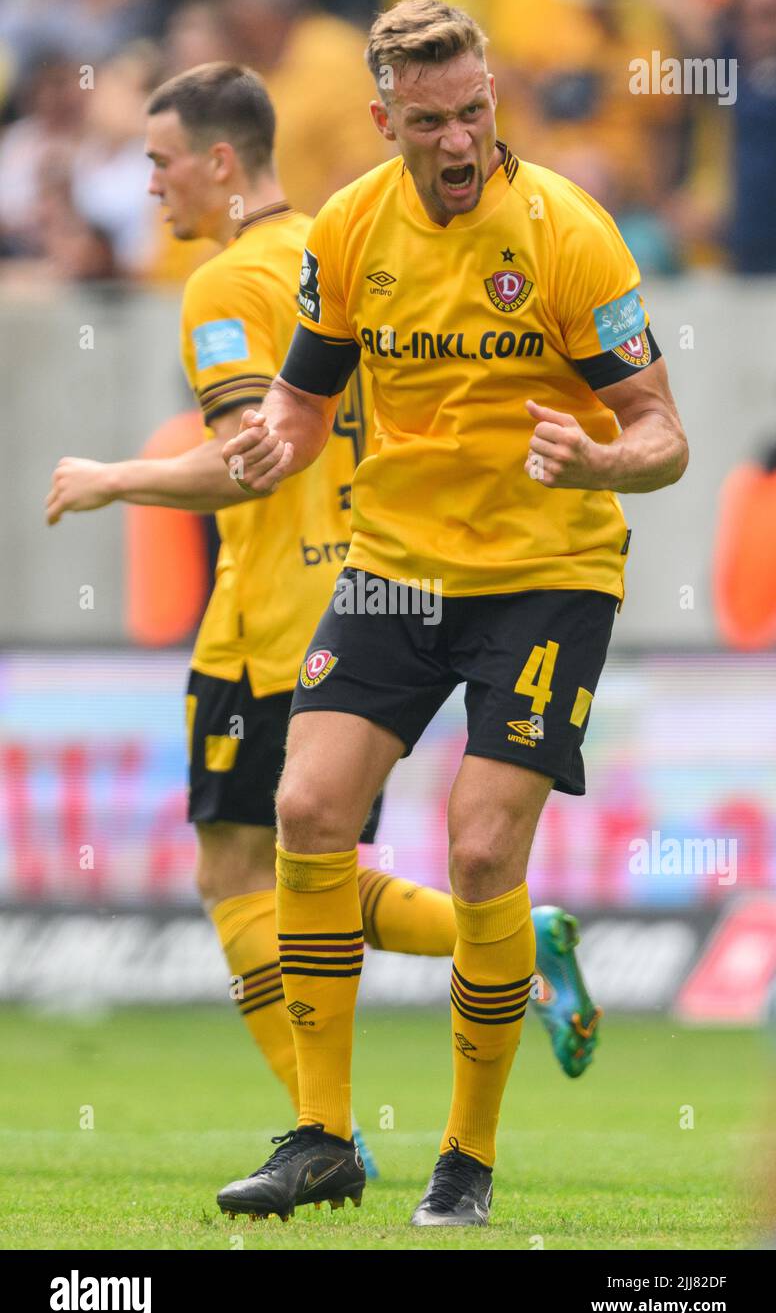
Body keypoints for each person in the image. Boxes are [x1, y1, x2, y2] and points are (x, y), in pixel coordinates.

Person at [45, 61, 598, 1173]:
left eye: (160, 164)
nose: (150, 188)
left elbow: (250, 455)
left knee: (248, 872)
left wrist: (116, 476)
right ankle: (481, 955)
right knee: (287, 859)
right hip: (372, 591)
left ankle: (329, 1124)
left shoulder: (224, 287)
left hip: (274, 614)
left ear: (218, 161)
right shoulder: (346, 244)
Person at [219, 0, 688, 1228]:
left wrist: (597, 460)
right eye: (430, 120)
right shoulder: (348, 229)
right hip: (397, 566)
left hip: (546, 572)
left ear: (493, 102)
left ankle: (464, 1162)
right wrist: (276, 436)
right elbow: (307, 397)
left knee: (478, 848)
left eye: (474, 111)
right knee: (307, 808)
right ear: (383, 121)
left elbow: (662, 434)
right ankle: (322, 1140)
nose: (459, 139)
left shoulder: (567, 236)